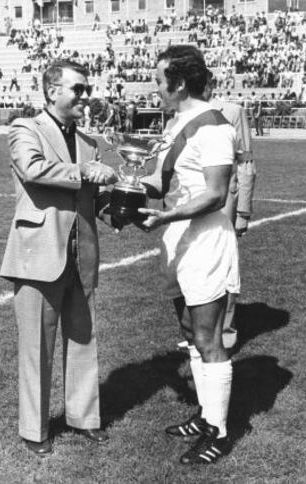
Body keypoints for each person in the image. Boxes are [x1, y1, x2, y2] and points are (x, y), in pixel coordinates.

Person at [0, 60, 119, 456]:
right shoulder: (24, 128)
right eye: (78, 89)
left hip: (81, 254)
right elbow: (33, 170)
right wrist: (85, 171)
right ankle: (34, 430)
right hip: (38, 254)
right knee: (37, 346)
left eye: (87, 89)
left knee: (84, 338)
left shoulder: (89, 141)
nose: (85, 96)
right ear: (53, 91)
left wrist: (122, 209)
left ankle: (84, 418)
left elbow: (92, 194)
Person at [138, 45, 240, 465]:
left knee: (208, 338)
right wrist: (121, 189)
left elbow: (216, 194)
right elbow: (165, 183)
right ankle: (205, 414)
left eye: (159, 81)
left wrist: (167, 217)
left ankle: (219, 431)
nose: (155, 87)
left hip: (205, 242)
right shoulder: (177, 122)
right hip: (177, 238)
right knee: (188, 331)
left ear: (179, 83)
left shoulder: (214, 127)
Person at [178, 69, 256, 351]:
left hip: (224, 203)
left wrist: (244, 210)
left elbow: (245, 162)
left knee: (223, 269)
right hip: (191, 204)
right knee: (195, 264)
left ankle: (225, 329)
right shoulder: (182, 114)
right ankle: (200, 325)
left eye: (209, 84)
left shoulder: (232, 111)